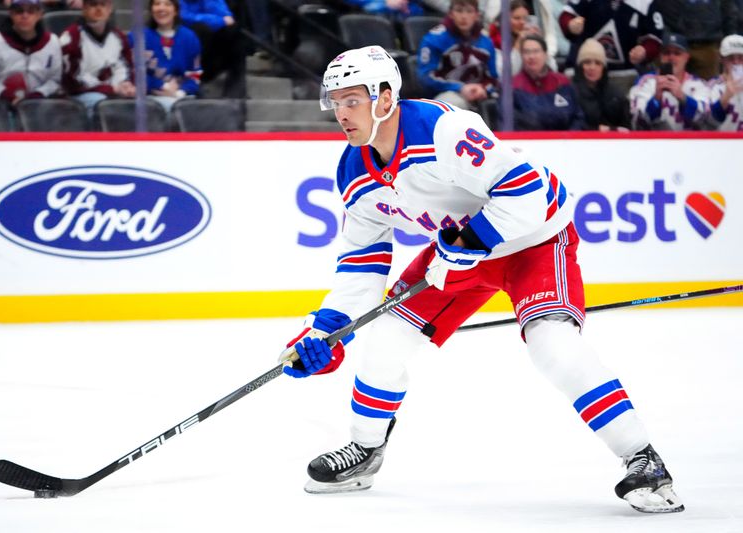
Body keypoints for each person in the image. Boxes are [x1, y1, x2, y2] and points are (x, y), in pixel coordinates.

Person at [279, 43, 684, 514]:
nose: (342, 113)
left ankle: (643, 459)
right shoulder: (353, 168)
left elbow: (526, 191)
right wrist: (326, 332)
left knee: (553, 345)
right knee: (386, 338)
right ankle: (365, 449)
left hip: (533, 238)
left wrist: (467, 244)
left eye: (353, 99)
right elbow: (362, 260)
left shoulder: (446, 130)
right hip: (459, 251)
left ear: (385, 98)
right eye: (336, 101)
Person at [0, 0, 62, 105]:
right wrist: (5, 94)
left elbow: (55, 80)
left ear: (40, 15)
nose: (25, 16)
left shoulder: (52, 41)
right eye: (19, 11)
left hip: (40, 104)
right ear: (11, 14)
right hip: (0, 104)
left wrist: (39, 94)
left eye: (31, 11)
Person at [416, 0, 498, 110]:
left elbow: (493, 78)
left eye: (469, 11)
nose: (464, 16)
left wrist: (483, 89)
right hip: (447, 94)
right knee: (452, 103)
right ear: (450, 13)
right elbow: (426, 77)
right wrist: (460, 88)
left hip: (479, 94)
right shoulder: (434, 39)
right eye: (459, 11)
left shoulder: (486, 42)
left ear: (477, 15)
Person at [60, 0, 135, 117]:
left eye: (103, 4)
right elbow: (71, 80)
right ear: (84, 8)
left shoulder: (118, 36)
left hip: (113, 91)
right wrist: (110, 89)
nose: (99, 9)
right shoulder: (71, 36)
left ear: (110, 8)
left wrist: (125, 84)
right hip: (80, 95)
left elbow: (125, 67)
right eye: (93, 4)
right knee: (100, 102)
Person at [128, 0, 202, 113]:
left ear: (176, 10)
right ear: (151, 9)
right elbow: (134, 73)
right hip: (151, 99)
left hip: (182, 97)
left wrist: (179, 93)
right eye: (157, 4)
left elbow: (195, 75)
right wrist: (162, 86)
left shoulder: (190, 37)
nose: (161, 8)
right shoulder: (137, 36)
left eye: (167, 4)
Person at [629, 32, 709, 130]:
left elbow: (705, 124)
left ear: (687, 57)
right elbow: (637, 124)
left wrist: (683, 98)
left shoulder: (699, 85)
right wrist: (656, 99)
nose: (671, 58)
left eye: (677, 53)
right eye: (666, 53)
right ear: (660, 56)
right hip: (655, 143)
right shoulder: (645, 82)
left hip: (688, 143)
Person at [559, 0, 664, 71]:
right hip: (582, 68)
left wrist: (645, 50)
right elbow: (566, 15)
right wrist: (570, 24)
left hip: (624, 73)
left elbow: (655, 38)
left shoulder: (647, 2)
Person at [511, 34, 584, 130]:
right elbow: (508, 124)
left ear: (545, 55)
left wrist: (569, 139)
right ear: (522, 56)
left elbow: (578, 116)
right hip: (529, 142)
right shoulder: (512, 86)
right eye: (526, 52)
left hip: (566, 142)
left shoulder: (563, 82)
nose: (531, 56)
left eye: (536, 51)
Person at [656, 0, 739, 80]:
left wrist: (730, 40)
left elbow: (729, 12)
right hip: (676, 43)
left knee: (708, 87)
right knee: (668, 81)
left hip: (707, 44)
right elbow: (662, 9)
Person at [179, 0, 246, 97]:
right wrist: (218, 20)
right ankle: (192, 83)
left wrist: (217, 20)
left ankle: (235, 88)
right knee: (200, 28)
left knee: (233, 30)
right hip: (180, 52)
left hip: (207, 58)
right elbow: (183, 18)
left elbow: (227, 17)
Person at [571, 38, 630, 131]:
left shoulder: (616, 95)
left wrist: (611, 130)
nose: (592, 67)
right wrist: (597, 130)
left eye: (598, 63)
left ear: (604, 67)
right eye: (587, 62)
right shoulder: (570, 94)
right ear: (580, 66)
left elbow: (627, 129)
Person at [488, 0, 555, 75]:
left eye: (526, 18)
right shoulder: (495, 41)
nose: (522, 22)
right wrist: (518, 43)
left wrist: (540, 43)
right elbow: (507, 74)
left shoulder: (530, 39)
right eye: (517, 18)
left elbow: (552, 68)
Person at [706, 33, 743, 131]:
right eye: (730, 58)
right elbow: (709, 123)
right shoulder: (712, 86)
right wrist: (725, 98)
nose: (736, 62)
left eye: (740, 57)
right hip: (724, 143)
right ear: (721, 59)